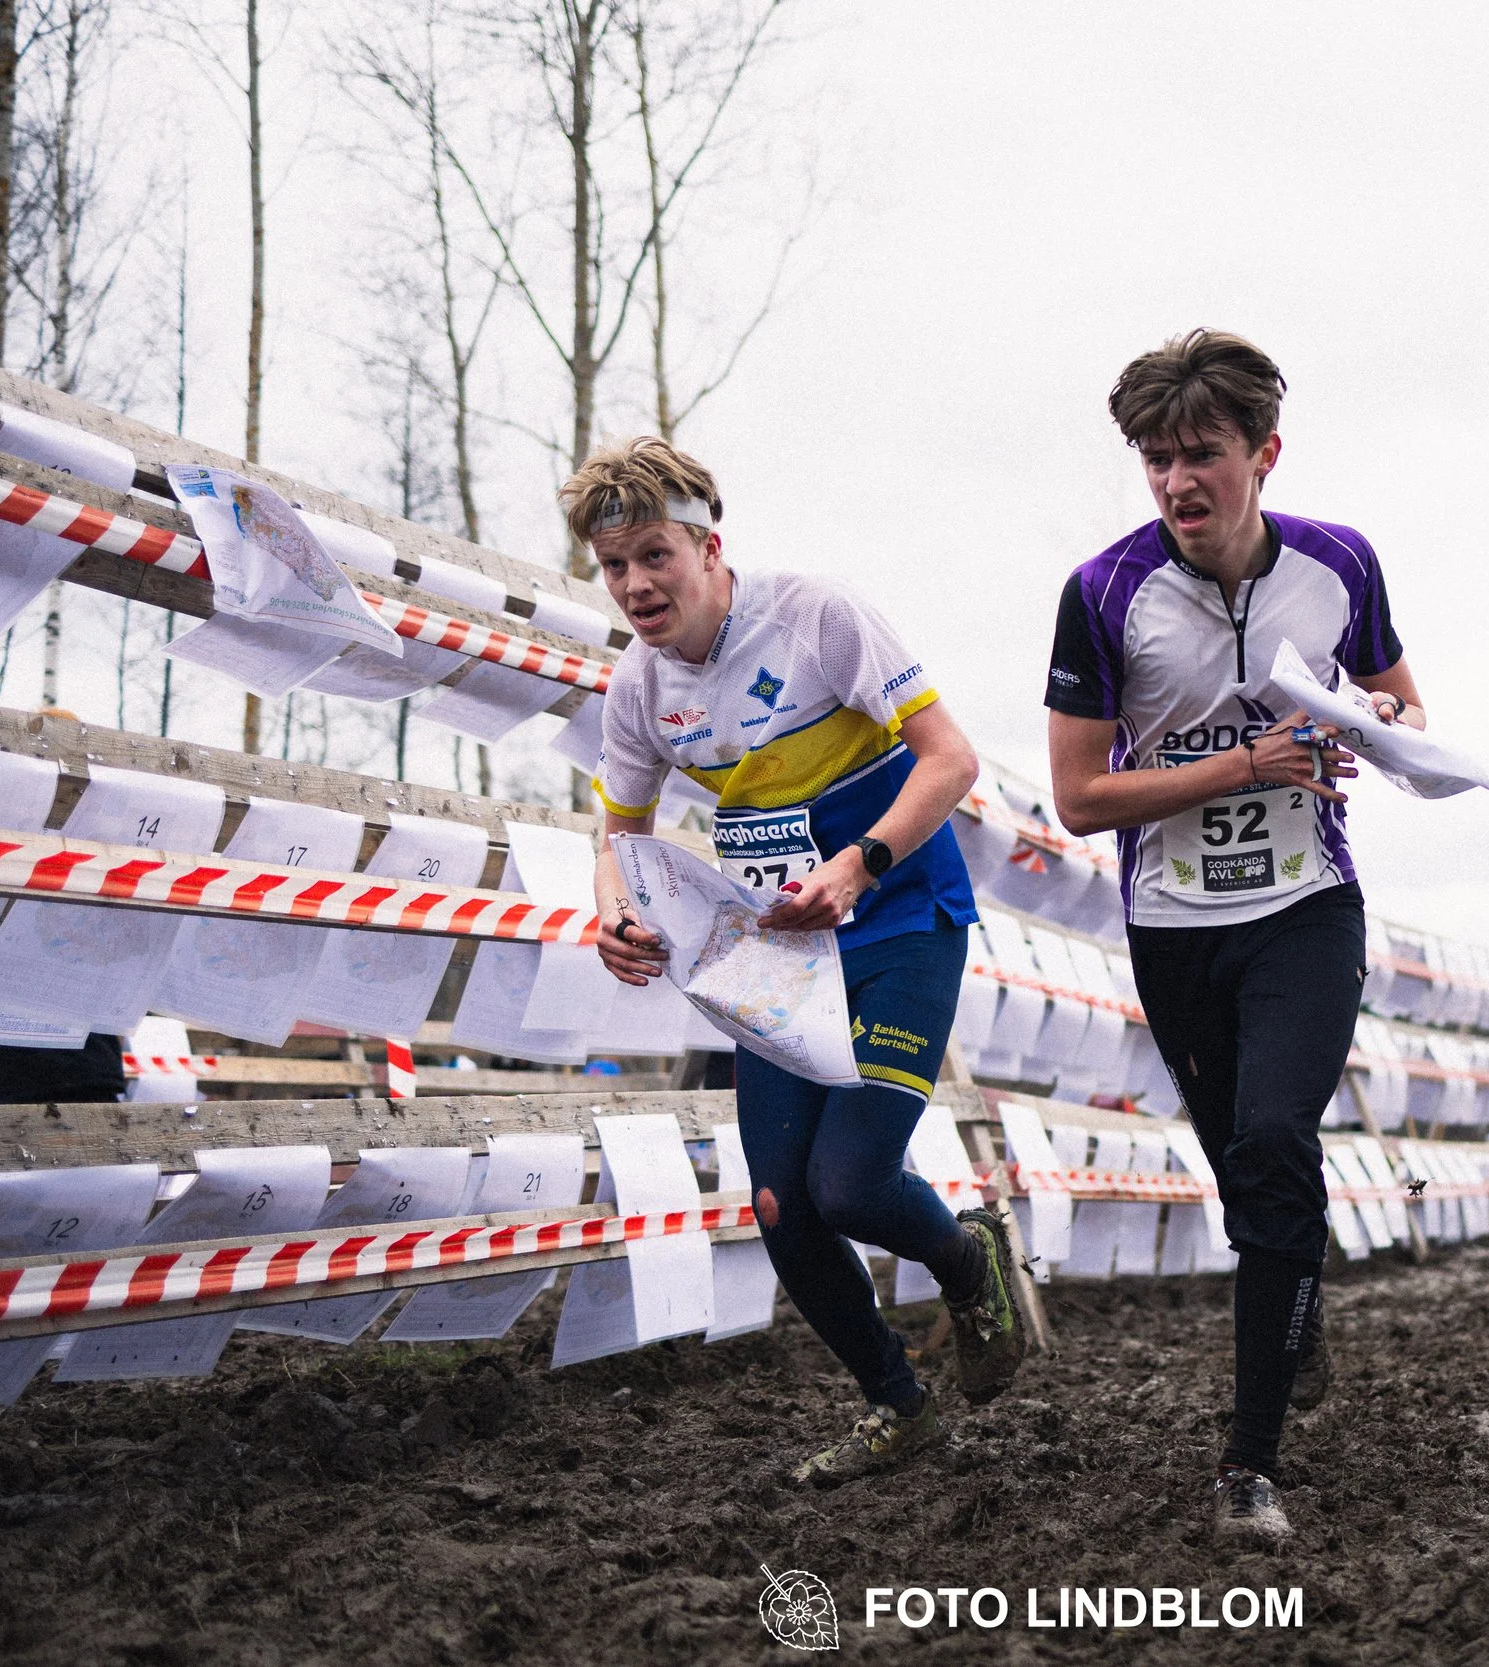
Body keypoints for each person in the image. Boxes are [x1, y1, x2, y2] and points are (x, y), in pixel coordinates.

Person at [575, 436, 1030, 1487]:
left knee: (854, 1183)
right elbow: (621, 834)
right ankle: (898, 1404)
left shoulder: (818, 615)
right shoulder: (639, 687)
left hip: (896, 917)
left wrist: (860, 863)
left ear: (707, 546)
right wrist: (613, 914)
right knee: (781, 1203)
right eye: (613, 566)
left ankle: (969, 1258)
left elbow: (949, 758)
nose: (637, 585)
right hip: (777, 950)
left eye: (655, 555)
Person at [1044, 329, 1424, 1545]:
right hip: (1176, 925)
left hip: (1308, 906)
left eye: (1199, 453)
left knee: (1272, 1139)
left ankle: (1247, 1462)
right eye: (1154, 459)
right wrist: (1243, 764)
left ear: (1263, 453)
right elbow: (1079, 797)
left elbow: (1409, 710)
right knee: (1246, 1172)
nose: (1174, 482)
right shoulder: (1102, 592)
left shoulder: (1341, 563)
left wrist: (1363, 724)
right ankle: (1297, 1312)